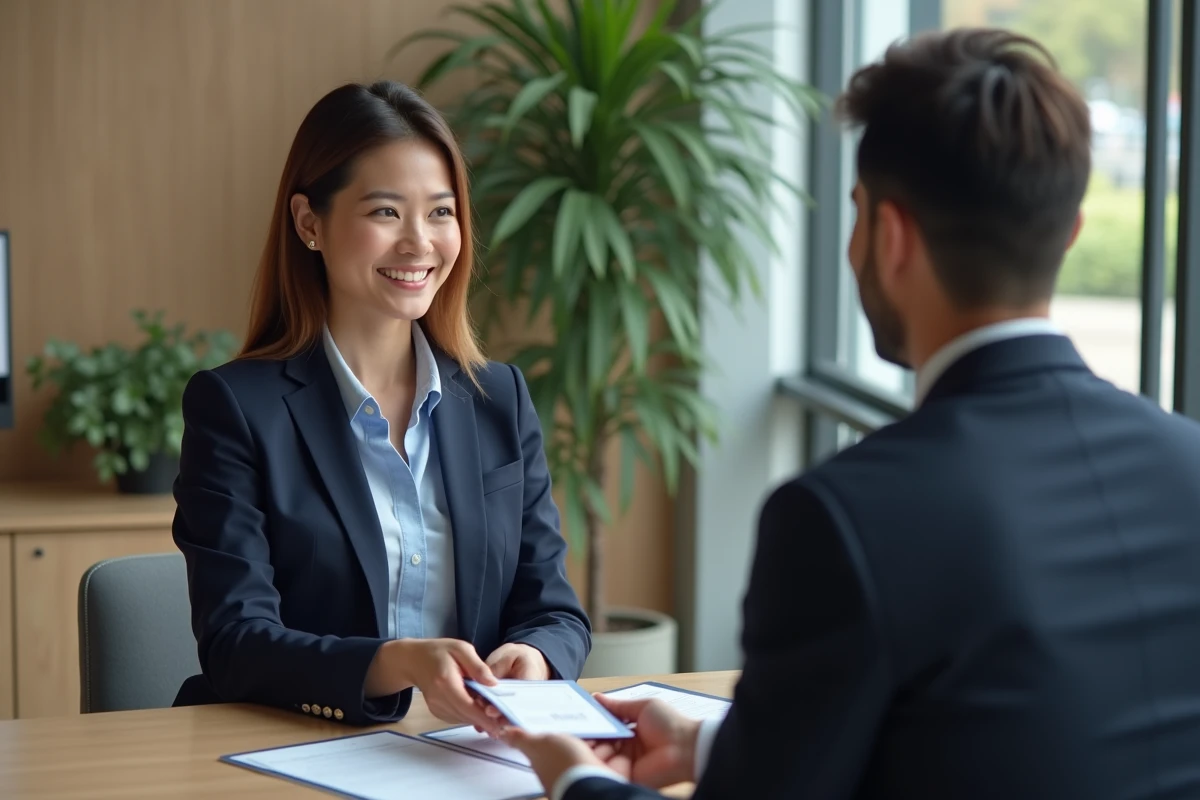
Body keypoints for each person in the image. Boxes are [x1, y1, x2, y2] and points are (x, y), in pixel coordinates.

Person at [490, 28, 1200, 799]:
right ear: (1069, 233)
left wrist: (573, 781)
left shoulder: (847, 517)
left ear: (888, 235)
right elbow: (1010, 737)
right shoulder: (1186, 463)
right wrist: (713, 745)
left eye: (857, 214)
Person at [171, 80, 590, 728]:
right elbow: (236, 641)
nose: (420, 243)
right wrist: (399, 664)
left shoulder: (497, 398)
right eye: (386, 212)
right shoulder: (235, 408)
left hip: (467, 752)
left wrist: (533, 659)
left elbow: (555, 610)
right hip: (294, 751)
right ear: (310, 223)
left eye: (441, 212)